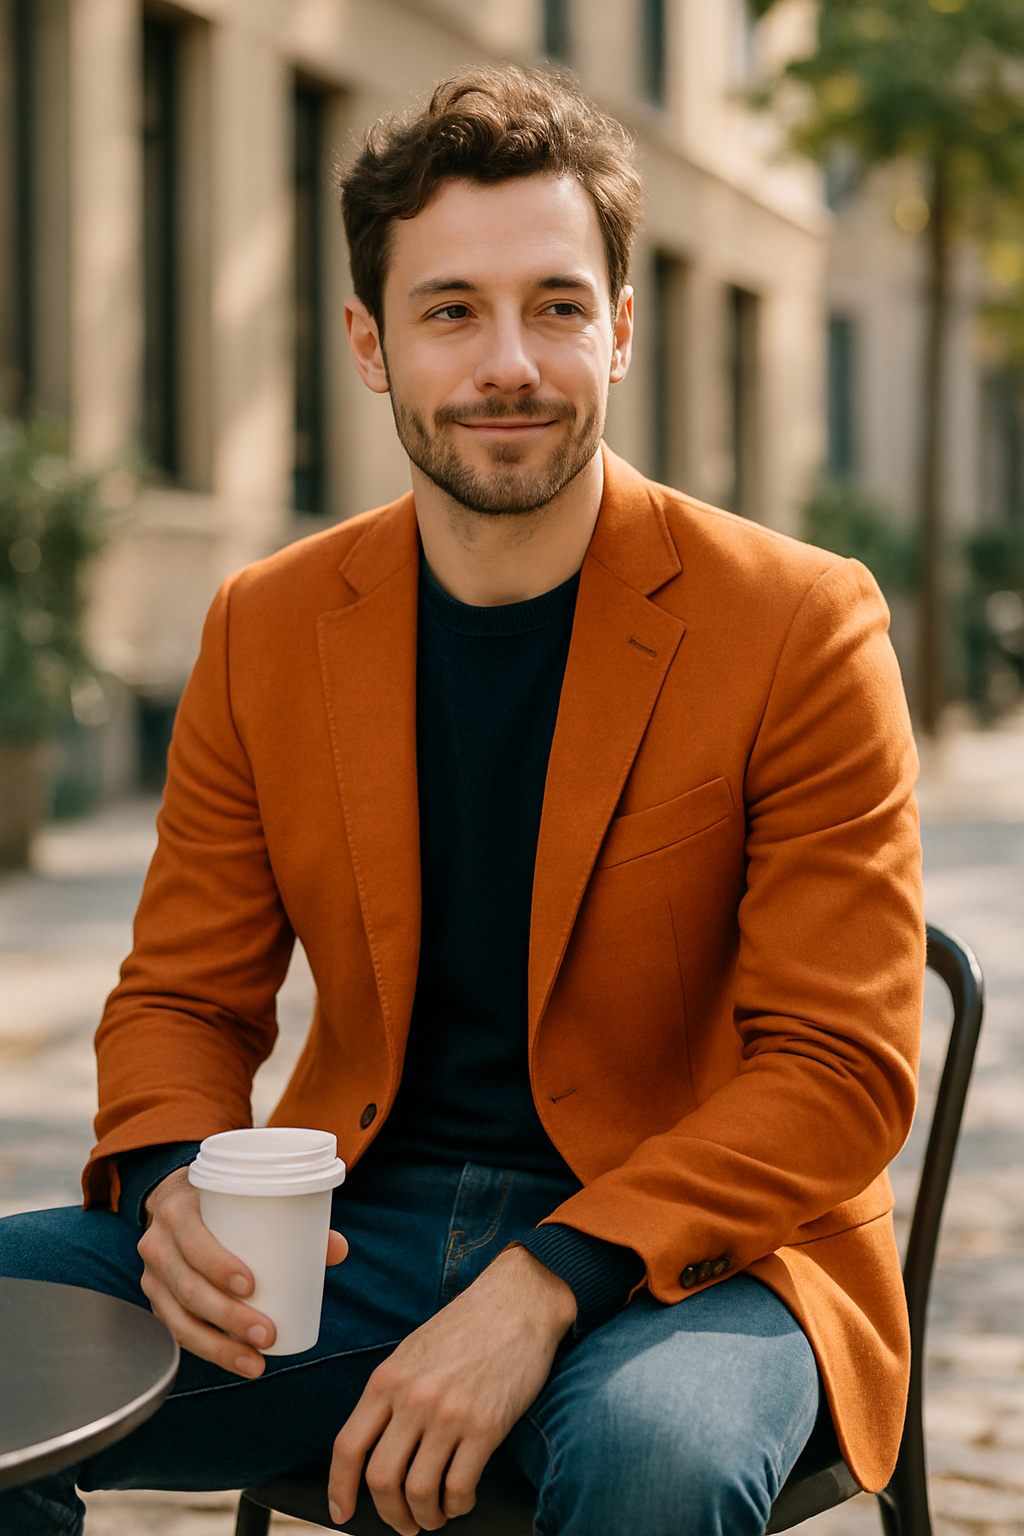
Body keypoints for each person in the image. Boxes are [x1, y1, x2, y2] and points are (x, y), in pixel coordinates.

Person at [0, 64, 924, 1536]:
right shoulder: (266, 623)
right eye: (451, 310)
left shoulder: (800, 625)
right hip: (342, 1242)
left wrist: (543, 1281)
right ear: (370, 343)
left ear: (620, 332)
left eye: (558, 305)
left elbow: (838, 1069)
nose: (512, 362)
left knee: (656, 1464)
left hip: (697, 1265)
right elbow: (184, 992)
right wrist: (174, 1180)